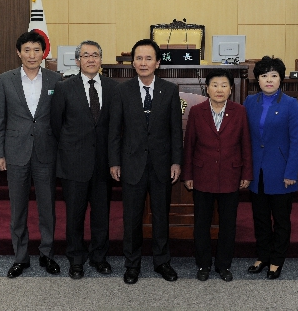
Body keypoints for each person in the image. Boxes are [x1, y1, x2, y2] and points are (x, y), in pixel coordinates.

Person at [108, 39, 183, 285]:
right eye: (138, 58)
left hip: (162, 164)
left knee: (161, 216)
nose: (143, 63)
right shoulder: (122, 90)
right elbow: (115, 130)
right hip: (132, 164)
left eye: (148, 58)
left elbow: (175, 131)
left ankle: (162, 262)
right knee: (131, 218)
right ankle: (132, 265)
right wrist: (114, 161)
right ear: (133, 63)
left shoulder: (170, 90)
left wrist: (176, 161)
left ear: (158, 63)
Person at [0, 30, 63, 278]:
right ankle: (20, 257)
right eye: (27, 50)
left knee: (47, 208)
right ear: (18, 53)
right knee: (18, 209)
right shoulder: (4, 80)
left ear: (44, 53)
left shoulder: (56, 79)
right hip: (15, 152)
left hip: (46, 153)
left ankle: (47, 254)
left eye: (37, 50)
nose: (32, 55)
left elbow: (61, 119)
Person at [50, 40, 118, 279]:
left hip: (103, 164)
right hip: (73, 163)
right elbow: (57, 126)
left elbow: (116, 127)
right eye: (86, 55)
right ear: (78, 60)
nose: (91, 59)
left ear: (101, 60)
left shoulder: (113, 87)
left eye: (96, 55)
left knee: (101, 216)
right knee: (74, 216)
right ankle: (76, 260)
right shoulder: (64, 88)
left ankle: (99, 258)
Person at [182, 69, 252, 282]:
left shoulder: (239, 111)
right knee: (201, 224)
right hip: (202, 174)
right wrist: (188, 174)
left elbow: (246, 144)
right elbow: (190, 144)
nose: (219, 89)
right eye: (214, 85)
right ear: (207, 88)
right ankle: (203, 264)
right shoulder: (196, 111)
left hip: (231, 175)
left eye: (224, 85)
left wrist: (246, 172)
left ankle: (224, 265)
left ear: (231, 89)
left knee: (228, 225)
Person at [243, 56, 298, 279]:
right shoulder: (249, 102)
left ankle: (277, 259)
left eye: (274, 75)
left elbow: (297, 141)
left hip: (281, 172)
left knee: (280, 219)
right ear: (257, 80)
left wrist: (291, 172)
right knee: (259, 218)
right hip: (256, 172)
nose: (269, 80)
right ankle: (262, 255)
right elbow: (245, 138)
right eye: (264, 75)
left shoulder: (291, 104)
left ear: (281, 79)